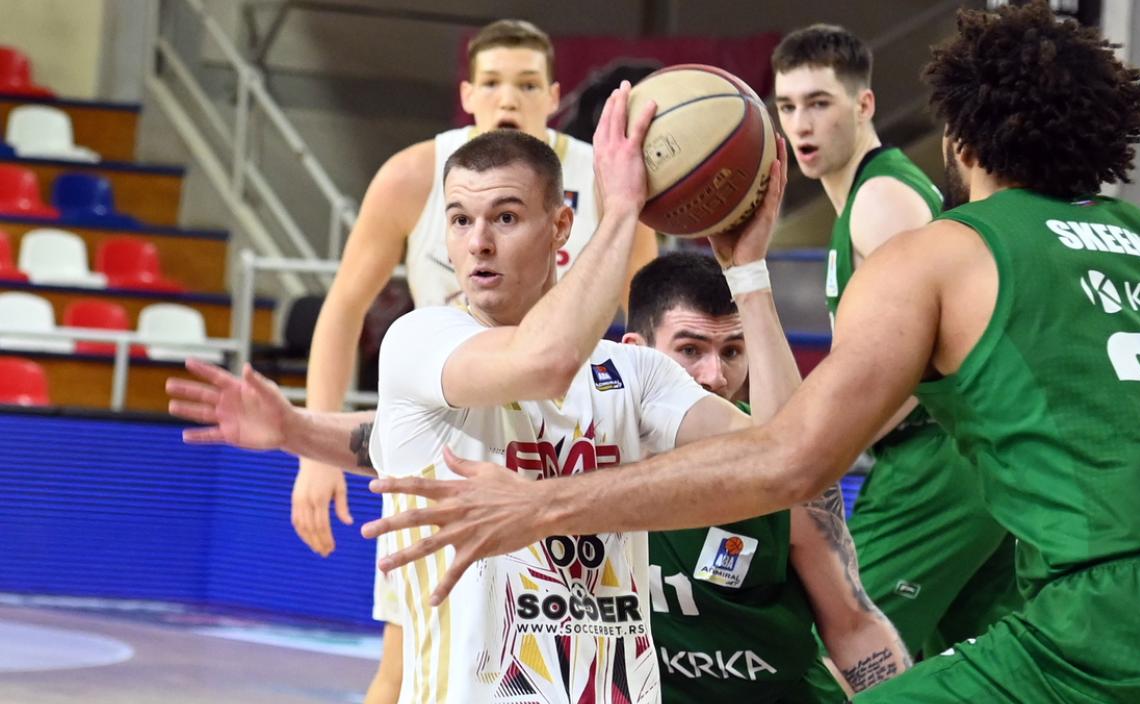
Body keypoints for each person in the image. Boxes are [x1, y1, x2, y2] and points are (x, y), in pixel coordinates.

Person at [366, 4, 1140, 701]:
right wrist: (747, 273)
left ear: (958, 140)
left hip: (1113, 614)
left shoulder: (942, 247)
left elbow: (790, 460)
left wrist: (543, 507)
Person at [171, 86, 911, 701]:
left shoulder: (633, 374)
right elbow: (545, 360)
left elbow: (788, 459)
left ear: (561, 227)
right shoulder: (421, 340)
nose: (477, 242)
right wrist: (622, 212)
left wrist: (747, 274)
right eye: (459, 220)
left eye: (505, 217)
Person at [291, 19, 657, 703]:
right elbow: (342, 309)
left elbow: (649, 315)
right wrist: (315, 453)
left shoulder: (604, 179)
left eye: (526, 84)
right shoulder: (413, 174)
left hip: (567, 438)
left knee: (576, 633)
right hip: (444, 439)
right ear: (466, 95)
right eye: (490, 83)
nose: (507, 99)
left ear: (553, 95)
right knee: (408, 662)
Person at [771, 24, 1020, 658]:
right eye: (787, 106)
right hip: (963, 463)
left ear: (864, 105)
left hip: (937, 461)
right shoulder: (868, 196)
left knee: (840, 653)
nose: (801, 124)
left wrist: (822, 443)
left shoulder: (881, 198)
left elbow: (920, 356)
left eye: (819, 103)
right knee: (981, 665)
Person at [623, 252, 905, 702]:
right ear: (635, 353)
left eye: (732, 352)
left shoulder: (783, 462)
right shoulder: (589, 451)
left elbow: (852, 625)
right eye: (690, 350)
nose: (715, 377)